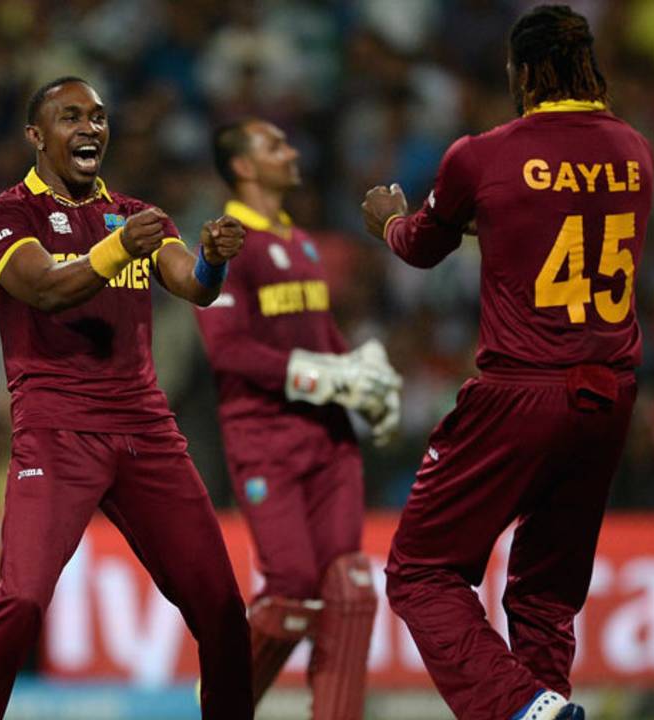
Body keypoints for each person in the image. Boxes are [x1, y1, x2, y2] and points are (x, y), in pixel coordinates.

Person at [360, 6, 654, 720]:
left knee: (421, 571)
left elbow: (422, 247)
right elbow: (556, 213)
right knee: (546, 590)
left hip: (522, 389)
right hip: (610, 393)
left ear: (524, 74)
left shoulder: (482, 155)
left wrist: (387, 221)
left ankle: (521, 707)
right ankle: (549, 706)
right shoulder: (636, 151)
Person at [0, 76, 253, 720]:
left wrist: (214, 259)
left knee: (223, 610)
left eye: (98, 117)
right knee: (22, 600)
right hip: (57, 432)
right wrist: (118, 247)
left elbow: (193, 286)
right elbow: (47, 289)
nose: (90, 127)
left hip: (146, 431)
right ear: (36, 135)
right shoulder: (6, 217)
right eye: (70, 117)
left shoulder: (139, 215)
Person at [195, 118, 400, 719]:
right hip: (265, 438)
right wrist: (322, 375)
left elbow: (322, 335)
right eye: (274, 146)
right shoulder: (227, 242)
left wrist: (361, 374)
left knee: (351, 590)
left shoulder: (302, 243)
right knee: (290, 594)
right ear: (242, 167)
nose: (291, 151)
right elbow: (228, 350)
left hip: (330, 441)